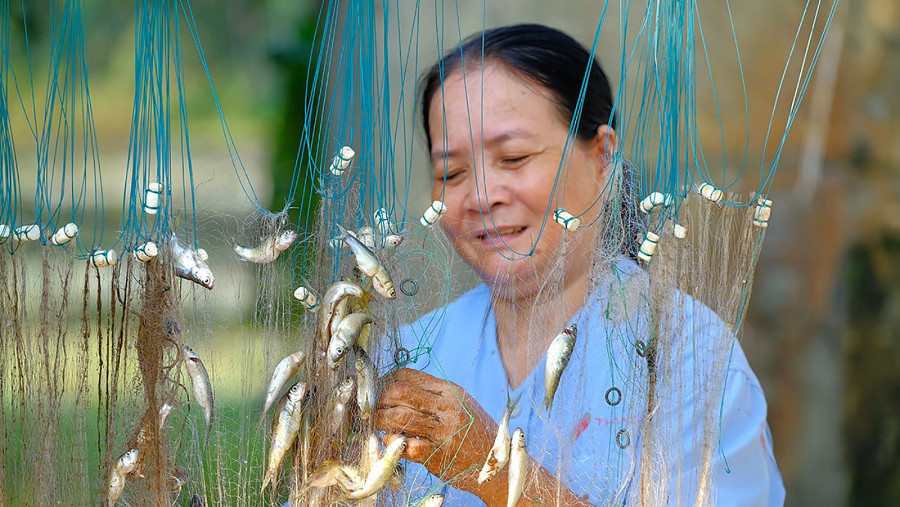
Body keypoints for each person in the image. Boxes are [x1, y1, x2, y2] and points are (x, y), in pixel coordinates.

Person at [373, 24, 784, 506]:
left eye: (514, 156)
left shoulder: (690, 359)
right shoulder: (403, 355)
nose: (481, 197)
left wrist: (495, 471)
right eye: (453, 173)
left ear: (604, 156)